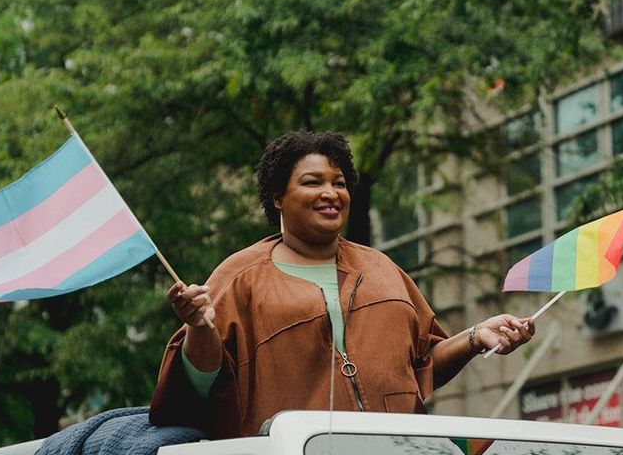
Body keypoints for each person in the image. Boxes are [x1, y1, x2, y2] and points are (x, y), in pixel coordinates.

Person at [150, 130, 535, 438]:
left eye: (339, 183)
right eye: (313, 182)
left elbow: (422, 367)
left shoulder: (383, 270)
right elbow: (198, 392)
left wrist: (475, 337)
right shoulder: (239, 277)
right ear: (278, 197)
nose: (331, 193)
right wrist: (199, 329)